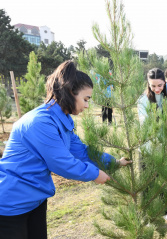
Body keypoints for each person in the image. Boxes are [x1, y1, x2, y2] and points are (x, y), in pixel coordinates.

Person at [0, 61, 131, 239]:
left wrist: (113, 162)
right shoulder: (41, 122)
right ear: (70, 92)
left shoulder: (62, 120)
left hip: (34, 199)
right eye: (85, 99)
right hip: (12, 204)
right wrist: (95, 174)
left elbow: (82, 152)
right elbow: (62, 163)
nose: (86, 106)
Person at [137, 68, 167, 223]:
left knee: (165, 179)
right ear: (148, 84)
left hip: (166, 144)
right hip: (148, 146)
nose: (157, 89)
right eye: (153, 86)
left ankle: (166, 211)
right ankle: (146, 214)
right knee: (147, 181)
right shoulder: (143, 100)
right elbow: (146, 123)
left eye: (160, 85)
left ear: (164, 82)